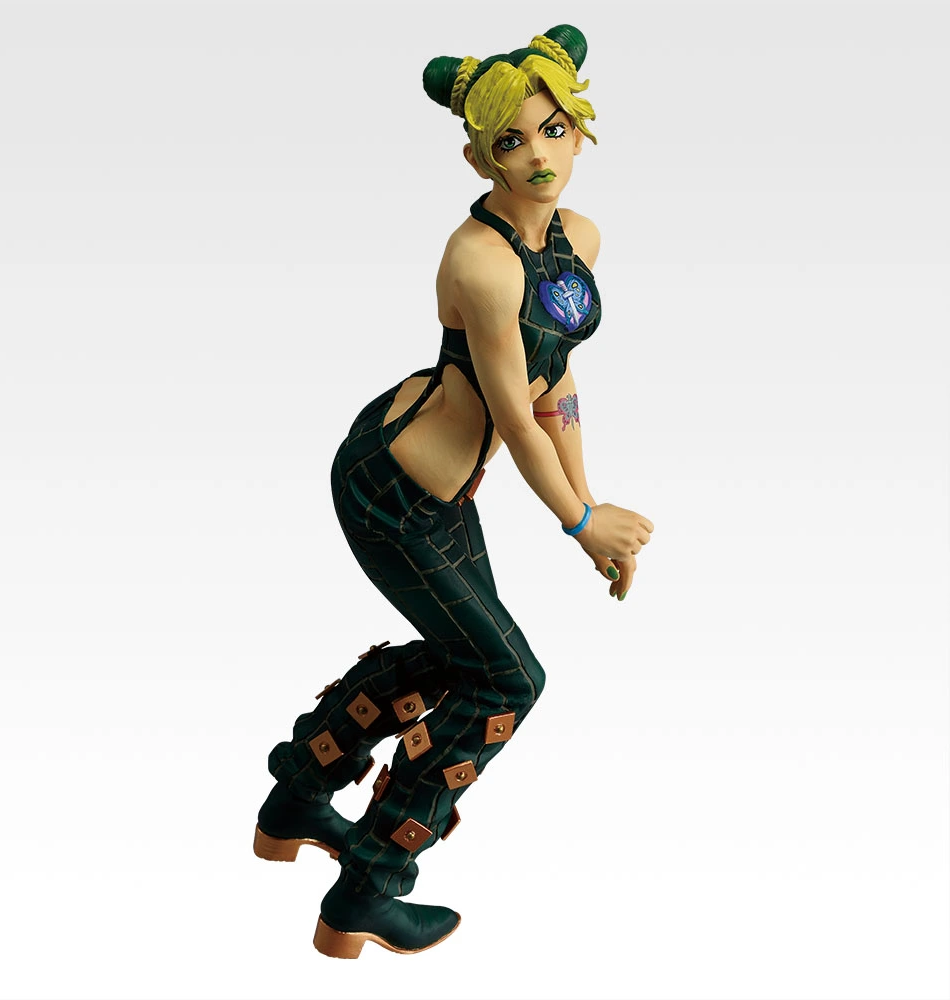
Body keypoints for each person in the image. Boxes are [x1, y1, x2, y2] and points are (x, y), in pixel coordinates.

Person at [252, 23, 654, 958]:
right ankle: (368, 887)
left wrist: (593, 506)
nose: (539, 155)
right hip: (393, 491)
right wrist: (581, 522)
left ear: (580, 130)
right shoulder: (480, 260)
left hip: (442, 488)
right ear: (476, 156)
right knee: (508, 679)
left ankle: (298, 797)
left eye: (555, 130)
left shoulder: (577, 239)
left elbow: (555, 383)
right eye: (511, 140)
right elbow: (513, 414)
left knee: (465, 658)